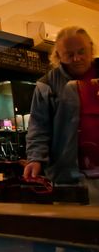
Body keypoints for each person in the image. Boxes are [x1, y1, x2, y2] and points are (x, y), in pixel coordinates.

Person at [24, 26, 99, 185]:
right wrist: (35, 159)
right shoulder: (47, 85)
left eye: (81, 51)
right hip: (69, 179)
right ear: (58, 56)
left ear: (91, 49)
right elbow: (38, 128)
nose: (77, 58)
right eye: (69, 54)